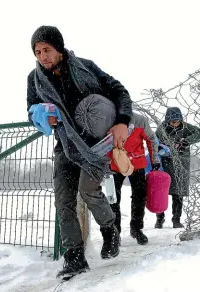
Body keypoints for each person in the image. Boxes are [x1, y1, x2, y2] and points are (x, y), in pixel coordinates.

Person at [26, 25, 133, 280]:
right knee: (63, 201)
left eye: (47, 50)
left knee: (88, 190)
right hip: (65, 144)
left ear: (59, 48)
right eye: (37, 52)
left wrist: (122, 121)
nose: (43, 56)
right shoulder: (34, 79)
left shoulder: (85, 66)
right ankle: (74, 257)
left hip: (95, 145)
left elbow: (119, 91)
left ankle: (109, 230)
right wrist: (40, 116)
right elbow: (30, 110)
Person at [108, 113, 160, 245]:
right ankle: (115, 232)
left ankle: (136, 228)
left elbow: (151, 139)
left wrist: (154, 160)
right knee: (113, 198)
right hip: (114, 164)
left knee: (140, 196)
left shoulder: (140, 121)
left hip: (136, 164)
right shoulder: (108, 118)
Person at [154, 107, 200, 229]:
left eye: (178, 121)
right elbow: (154, 142)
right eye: (173, 121)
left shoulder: (186, 127)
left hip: (182, 163)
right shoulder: (161, 129)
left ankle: (176, 219)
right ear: (167, 120)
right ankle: (159, 218)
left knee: (178, 191)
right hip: (165, 163)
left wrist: (186, 141)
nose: (176, 123)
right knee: (161, 191)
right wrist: (160, 148)